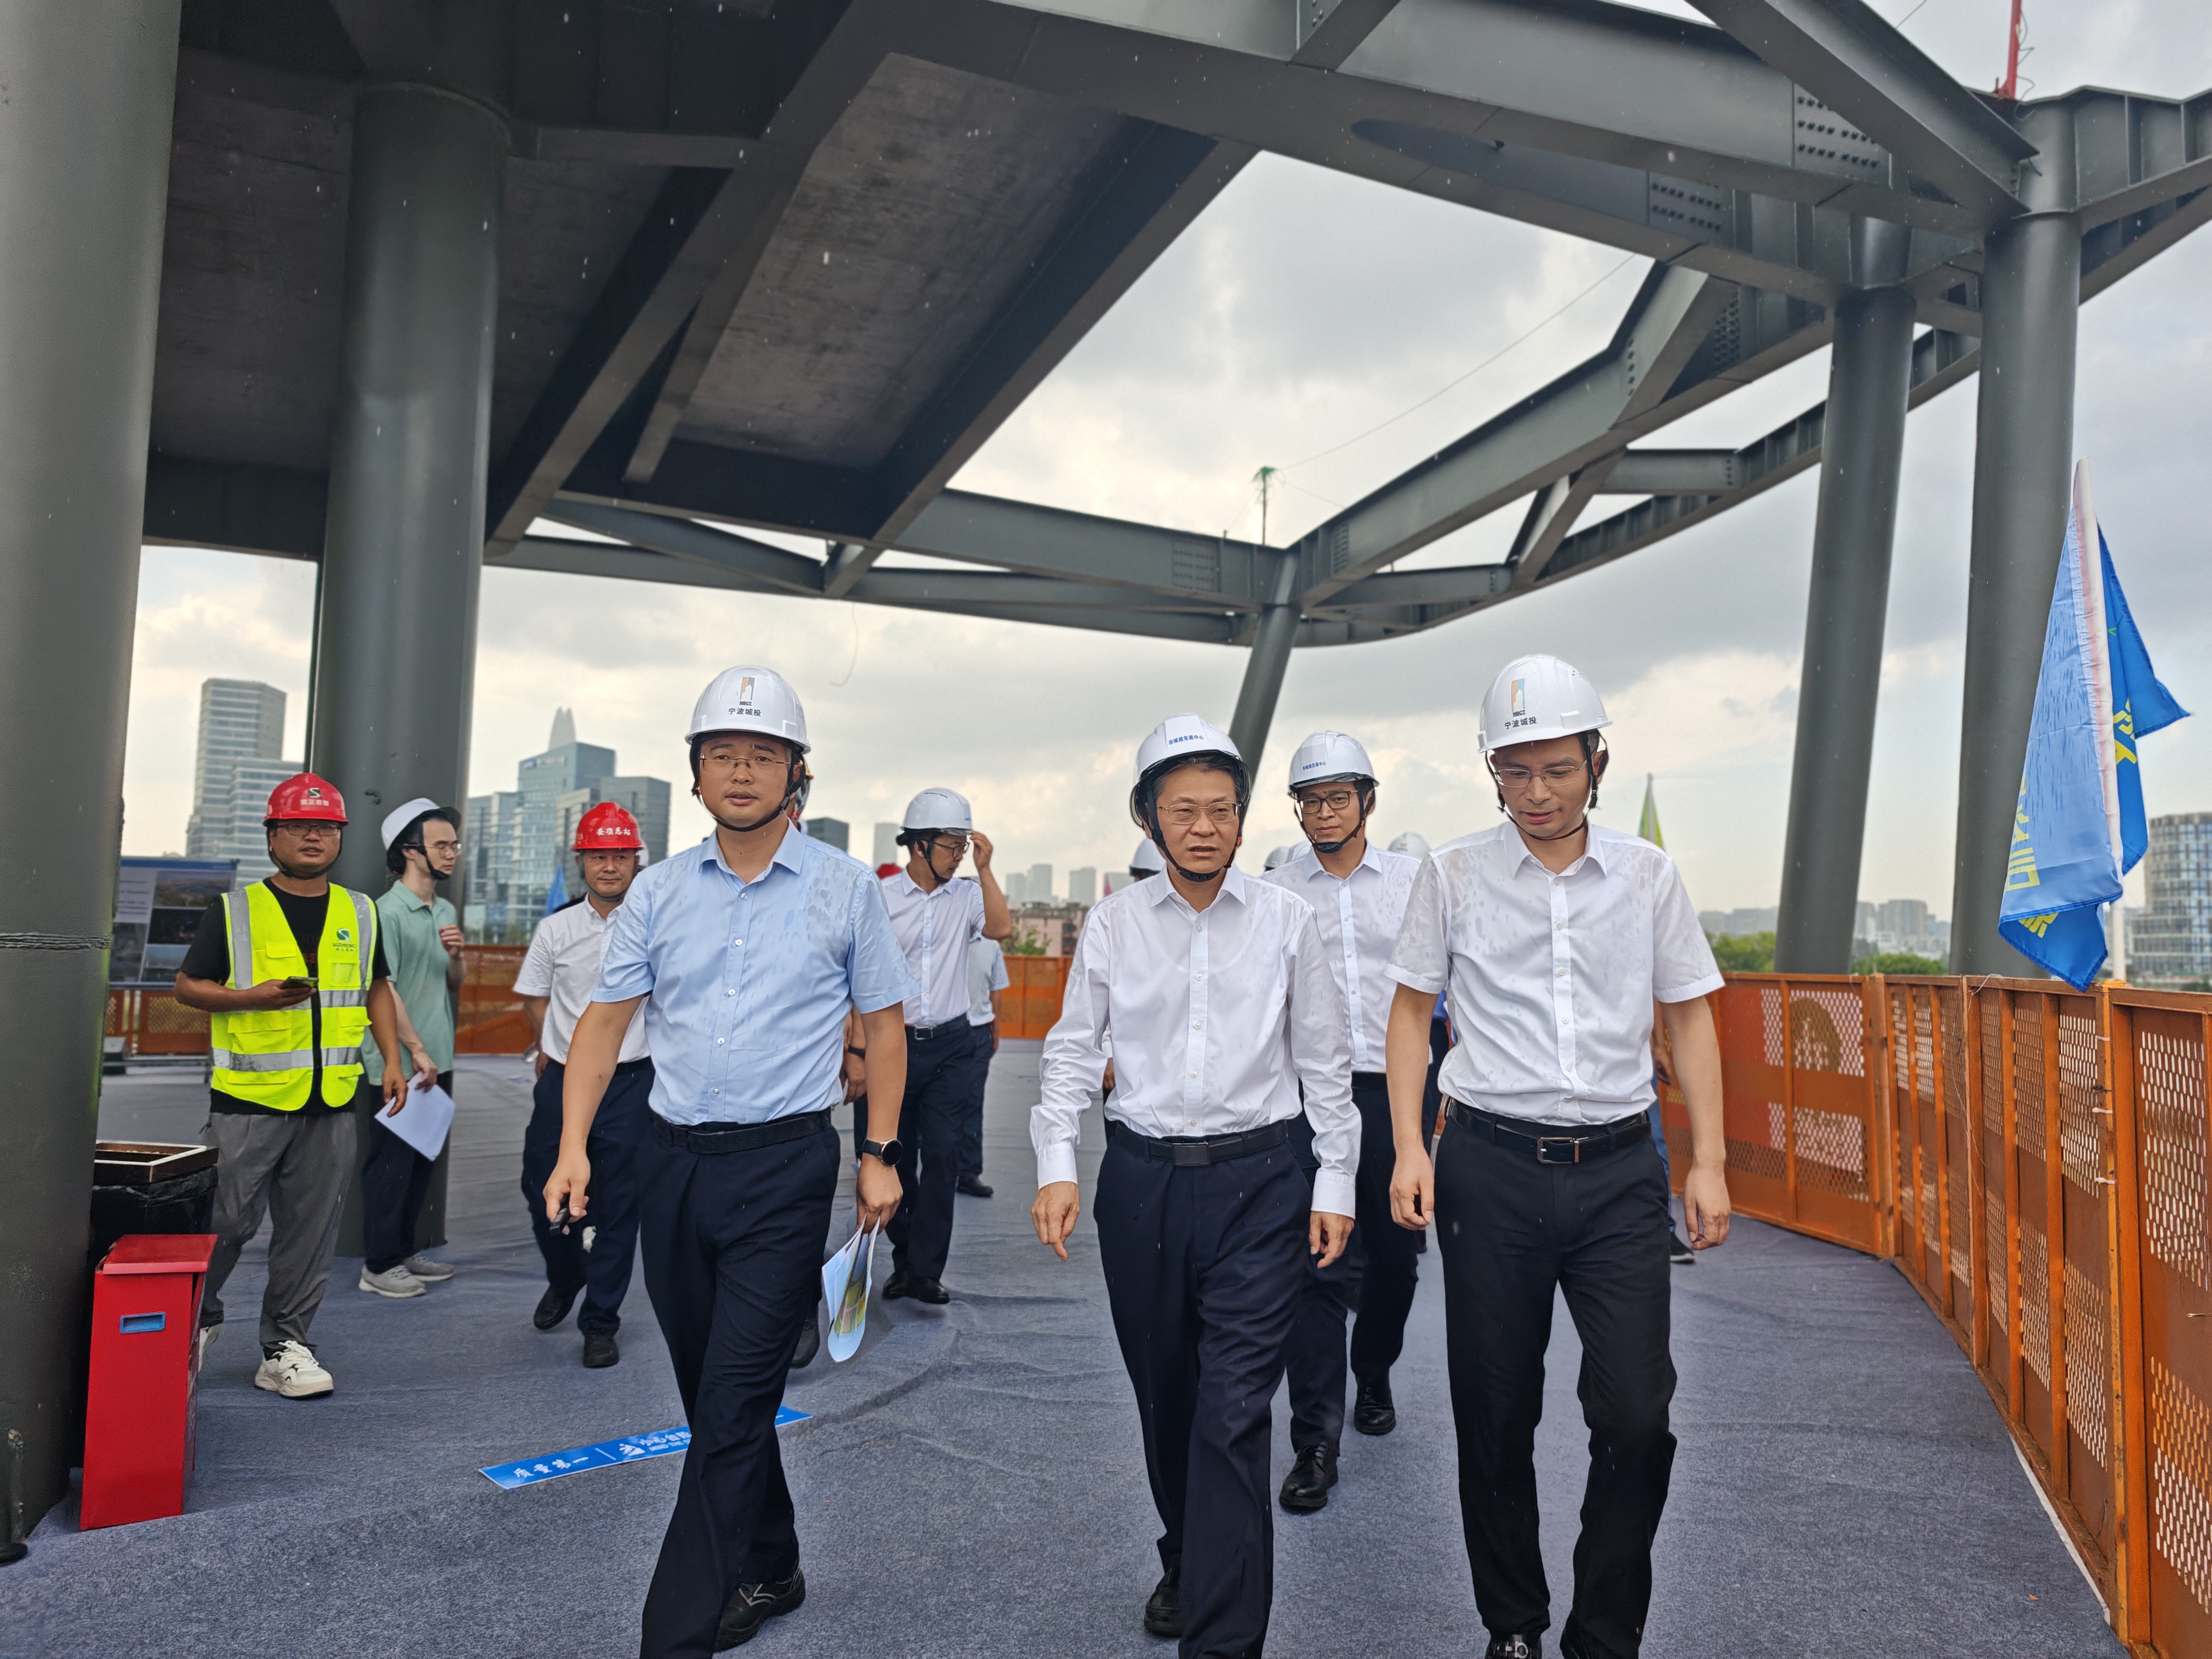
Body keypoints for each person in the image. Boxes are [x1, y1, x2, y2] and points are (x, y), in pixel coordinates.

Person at [545, 666, 918, 1658]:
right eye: (722, 755)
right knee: (718, 1393)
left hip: (783, 1170)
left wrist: (879, 1150)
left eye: (762, 755)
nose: (741, 772)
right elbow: (604, 1024)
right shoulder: (659, 890)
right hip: (670, 1169)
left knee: (732, 1398)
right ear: (696, 773)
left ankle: (675, 1632)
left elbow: (885, 1028)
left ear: (798, 773)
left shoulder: (845, 886)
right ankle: (774, 1561)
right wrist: (575, 1144)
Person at [1382, 655, 1731, 1659]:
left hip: (1620, 1173)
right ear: (1491, 770)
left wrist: (1707, 1160)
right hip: (1487, 1165)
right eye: (1516, 770)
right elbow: (1410, 1015)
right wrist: (1408, 1146)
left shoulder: (1647, 875)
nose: (1537, 793)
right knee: (1495, 1410)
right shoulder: (1452, 874)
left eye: (1558, 769)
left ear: (1597, 762)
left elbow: (1690, 1017)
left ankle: (1603, 1633)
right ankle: (1514, 1623)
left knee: (1637, 1415)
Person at [1031, 714, 1357, 1655]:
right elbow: (1072, 1051)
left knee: (1233, 1413)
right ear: (1149, 817)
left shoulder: (1287, 920)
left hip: (1262, 1184)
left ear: (1244, 819)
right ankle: (1187, 1555)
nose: (1205, 827)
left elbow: (1324, 1060)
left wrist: (1335, 1179)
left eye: (1222, 809)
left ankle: (1222, 1636)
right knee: (1168, 1402)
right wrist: (1057, 1164)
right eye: (1184, 810)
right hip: (1143, 1188)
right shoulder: (1113, 923)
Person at [173, 773, 435, 1399]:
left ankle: (285, 1346)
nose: (313, 836)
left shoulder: (360, 911)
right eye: (298, 826)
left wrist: (391, 1059)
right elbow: (187, 987)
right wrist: (250, 999)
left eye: (325, 827)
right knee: (223, 1223)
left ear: (340, 837)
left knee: (309, 1235)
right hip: (248, 1102)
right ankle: (194, 1320)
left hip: (333, 1102)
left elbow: (377, 988)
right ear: (273, 836)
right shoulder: (234, 911)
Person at [1261, 731, 1422, 1514]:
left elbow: (1453, 985)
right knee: (1316, 1263)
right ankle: (1315, 1442)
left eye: (1337, 798)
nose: (1323, 812)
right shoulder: (1275, 892)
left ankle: (1376, 1367)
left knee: (1395, 1255)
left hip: (1396, 1091)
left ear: (1367, 801)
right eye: (1310, 800)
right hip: (1307, 1094)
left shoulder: (1415, 883)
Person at [516, 802, 653, 1366]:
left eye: (620, 855)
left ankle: (601, 1321)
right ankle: (567, 1273)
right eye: (598, 856)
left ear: (636, 861)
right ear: (581, 862)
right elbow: (534, 996)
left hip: (631, 1083)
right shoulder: (556, 928)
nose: (609, 866)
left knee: (619, 1206)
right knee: (538, 1186)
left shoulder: (656, 926)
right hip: (563, 1080)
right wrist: (551, 1045)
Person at [878, 787, 1012, 1302]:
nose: (958, 856)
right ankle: (904, 1260)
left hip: (952, 1046)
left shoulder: (968, 896)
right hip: (894, 1046)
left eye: (963, 847)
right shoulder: (882, 898)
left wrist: (984, 868)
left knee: (942, 1155)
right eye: (951, 847)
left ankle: (926, 1271)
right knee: (895, 1155)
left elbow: (1000, 928)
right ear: (919, 846)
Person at [356, 798, 466, 1299]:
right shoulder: (386, 913)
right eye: (441, 845)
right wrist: (414, 1050)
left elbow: (452, 982)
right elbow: (385, 989)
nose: (451, 852)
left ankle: (402, 1250)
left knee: (421, 1160)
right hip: (397, 1062)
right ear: (408, 850)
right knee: (391, 1164)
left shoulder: (444, 910)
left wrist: (457, 955)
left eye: (454, 844)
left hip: (436, 1057)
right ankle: (378, 1265)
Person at [958, 933, 1009, 1197]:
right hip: (943, 1031)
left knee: (973, 1101)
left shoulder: (991, 945)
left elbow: (995, 990)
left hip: (978, 1032)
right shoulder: (945, 934)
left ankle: (968, 1173)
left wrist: (995, 1031)